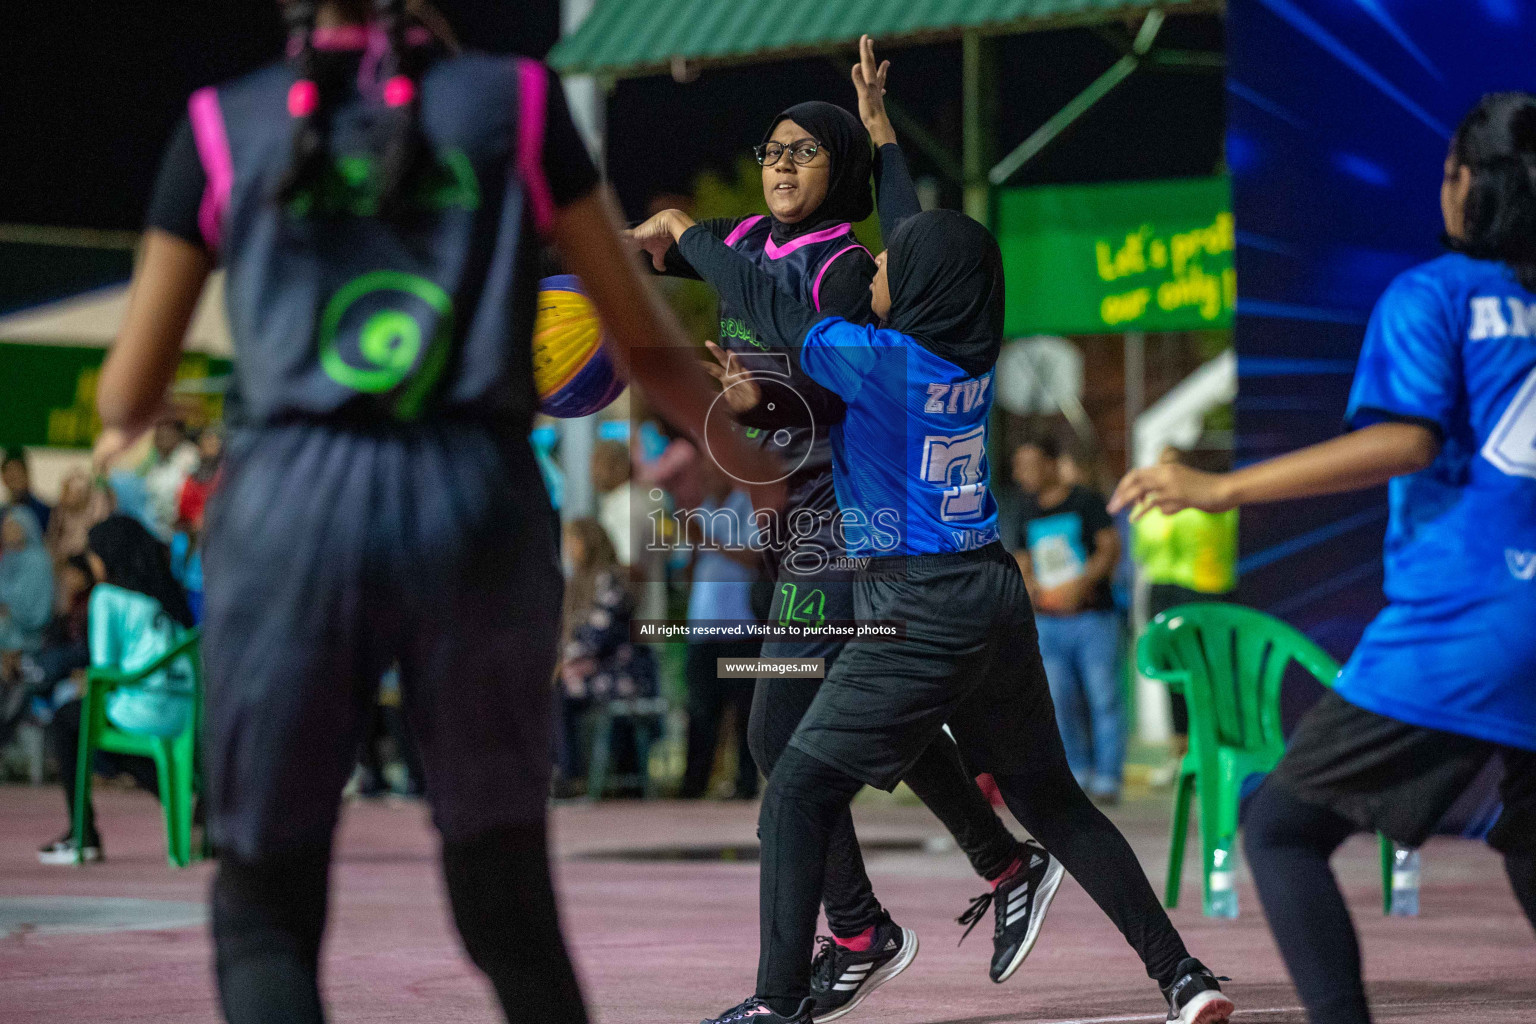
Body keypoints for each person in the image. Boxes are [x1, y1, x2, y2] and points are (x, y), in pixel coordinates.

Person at [89, 2, 775, 1021]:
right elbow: (641, 340)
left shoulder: (222, 124)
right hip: (472, 503)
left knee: (266, 900)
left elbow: (126, 398)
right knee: (504, 886)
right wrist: (761, 467)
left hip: (287, 514)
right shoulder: (521, 103)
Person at [638, 36, 1233, 1024]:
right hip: (991, 595)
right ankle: (1185, 975)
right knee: (1055, 797)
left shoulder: (871, 355)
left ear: (906, 294)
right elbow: (924, 242)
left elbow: (771, 303)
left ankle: (780, 1001)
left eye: (887, 271)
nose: (875, 267)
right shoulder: (960, 351)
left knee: (790, 788)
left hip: (913, 605)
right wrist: (881, 134)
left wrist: (689, 237)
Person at [628, 53, 1047, 1016]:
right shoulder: (741, 239)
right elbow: (676, 264)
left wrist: (750, 381)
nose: (780, 165)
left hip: (846, 521)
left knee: (784, 730)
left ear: (838, 172)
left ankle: (864, 929)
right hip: (801, 523)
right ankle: (982, 870)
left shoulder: (847, 266)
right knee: (830, 723)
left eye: (805, 152)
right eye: (772, 149)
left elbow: (831, 379)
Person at [1111, 92, 1536, 1024]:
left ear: (1474, 184)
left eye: (1450, 171)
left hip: (1473, 621)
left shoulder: (1437, 295)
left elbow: (1404, 443)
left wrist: (1218, 487)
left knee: (1282, 828)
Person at [38, 515, 196, 864]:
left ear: (108, 555)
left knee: (69, 721)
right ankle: (184, 798)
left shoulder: (107, 596)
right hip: (184, 712)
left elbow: (104, 668)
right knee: (100, 727)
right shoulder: (167, 596)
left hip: (145, 707)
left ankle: (84, 834)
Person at [1011, 435, 1126, 803]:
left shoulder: (1086, 501)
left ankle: (1108, 777)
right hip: (1048, 622)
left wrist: (1083, 583)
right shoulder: (1024, 510)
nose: (1023, 473)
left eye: (1030, 464)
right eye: (1018, 466)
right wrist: (1032, 593)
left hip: (1093, 619)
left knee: (1104, 696)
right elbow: (1023, 560)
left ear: (1051, 462)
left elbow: (1110, 549)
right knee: (1059, 701)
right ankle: (1076, 771)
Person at [1130, 445, 1237, 780]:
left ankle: (1216, 750)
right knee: (1173, 676)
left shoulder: (1212, 500)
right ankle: (1181, 757)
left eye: (1172, 468)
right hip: (1163, 591)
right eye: (1159, 467)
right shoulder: (1151, 508)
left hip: (1208, 592)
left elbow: (1223, 537)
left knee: (1214, 675)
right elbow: (1143, 551)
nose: (1165, 476)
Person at [557, 517, 658, 792]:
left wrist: (563, 660)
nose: (568, 549)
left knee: (557, 689)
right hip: (591, 669)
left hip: (620, 671)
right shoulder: (578, 582)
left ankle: (569, 775)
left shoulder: (609, 578)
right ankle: (565, 771)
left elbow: (599, 633)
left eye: (573, 542)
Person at [679, 465, 761, 800]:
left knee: (746, 711)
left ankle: (745, 785)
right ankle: (693, 785)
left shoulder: (748, 506)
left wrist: (708, 540)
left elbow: (756, 557)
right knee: (700, 709)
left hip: (742, 626)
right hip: (703, 625)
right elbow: (685, 571)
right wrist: (692, 547)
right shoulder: (702, 512)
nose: (706, 480)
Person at [0, 508, 55, 660]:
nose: (7, 532)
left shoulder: (38, 560)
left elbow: (35, 608)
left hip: (29, 635)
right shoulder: (10, 558)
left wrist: (8, 607)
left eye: (13, 527)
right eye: (6, 527)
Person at [45, 469, 114, 566]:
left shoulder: (96, 507)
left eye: (78, 491)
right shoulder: (60, 512)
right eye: (67, 490)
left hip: (87, 560)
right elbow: (54, 539)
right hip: (65, 560)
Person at [2, 448, 52, 534]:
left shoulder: (44, 512)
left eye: (17, 473)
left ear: (26, 474)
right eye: (10, 475)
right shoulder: (3, 513)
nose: (14, 478)